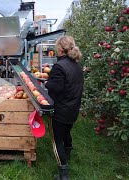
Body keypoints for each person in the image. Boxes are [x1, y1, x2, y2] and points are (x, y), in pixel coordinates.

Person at [44, 36, 84, 180]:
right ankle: (67, 156)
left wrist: (47, 83)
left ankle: (63, 174)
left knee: (57, 140)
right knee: (66, 133)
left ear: (60, 49)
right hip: (73, 108)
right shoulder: (76, 65)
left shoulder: (59, 67)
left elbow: (57, 88)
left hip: (61, 110)